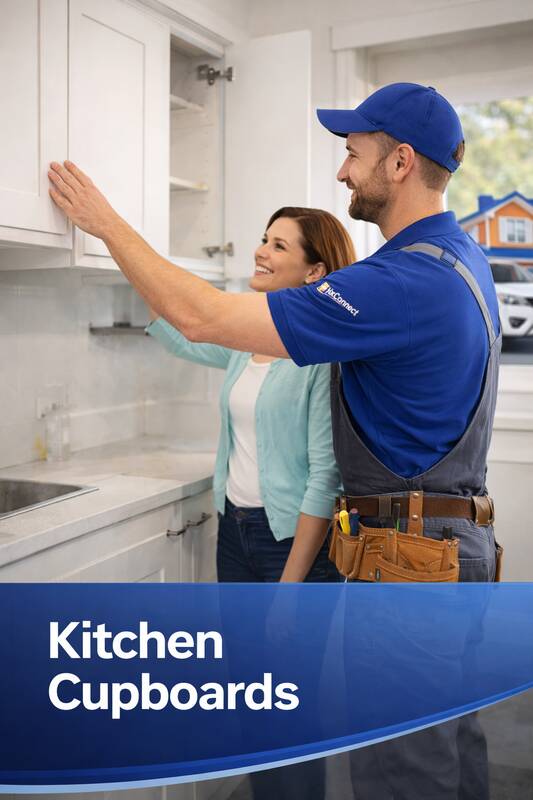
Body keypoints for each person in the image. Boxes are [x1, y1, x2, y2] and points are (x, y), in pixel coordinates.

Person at [49, 81, 501, 799]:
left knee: (400, 774)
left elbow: (201, 318)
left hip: (410, 573)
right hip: (451, 552)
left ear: (400, 162)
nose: (340, 171)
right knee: (447, 754)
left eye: (351, 153)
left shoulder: (401, 280)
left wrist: (107, 225)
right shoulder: (459, 259)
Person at [144, 206, 355, 584]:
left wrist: (290, 590)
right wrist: (130, 252)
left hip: (293, 544)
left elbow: (325, 479)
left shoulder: (322, 360)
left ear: (314, 272)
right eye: (264, 240)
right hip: (233, 529)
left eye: (278, 246)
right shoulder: (247, 343)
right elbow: (181, 335)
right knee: (240, 644)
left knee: (289, 644)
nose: (260, 251)